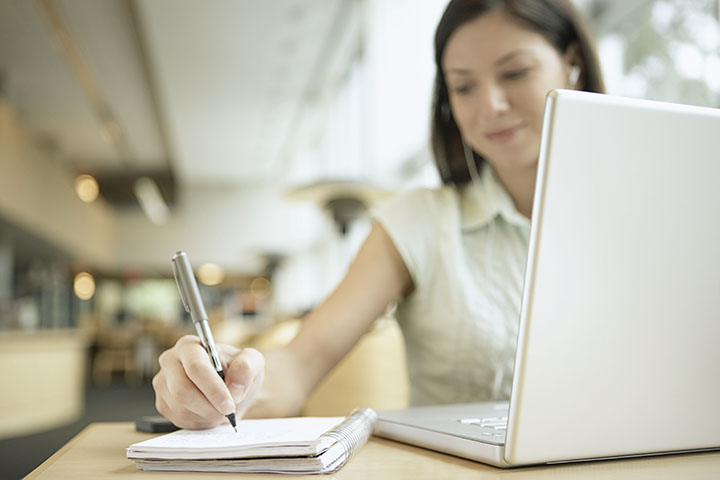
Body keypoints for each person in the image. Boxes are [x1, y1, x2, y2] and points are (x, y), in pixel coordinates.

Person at [152, 0, 605, 429]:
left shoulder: (641, 216)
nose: (490, 105)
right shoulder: (419, 222)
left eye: (515, 72)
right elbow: (298, 367)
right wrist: (227, 383)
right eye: (464, 86)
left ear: (573, 62)